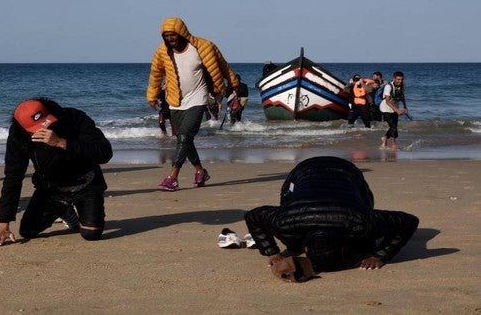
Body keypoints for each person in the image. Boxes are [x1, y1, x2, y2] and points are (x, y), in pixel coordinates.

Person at [244, 156, 419, 278]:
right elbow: (253, 216)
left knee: (364, 242)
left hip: (347, 173)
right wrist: (271, 252)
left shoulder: (361, 222)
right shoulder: (284, 220)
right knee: (292, 239)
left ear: (307, 250)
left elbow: (409, 221)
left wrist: (380, 255)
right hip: (302, 173)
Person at [0, 98, 113, 246]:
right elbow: (13, 177)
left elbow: (105, 153)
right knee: (27, 232)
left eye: (45, 121)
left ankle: (75, 208)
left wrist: (62, 142)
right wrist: (4, 224)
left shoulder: (74, 118)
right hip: (51, 189)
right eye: (38, 127)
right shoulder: (18, 136)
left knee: (91, 234)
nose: (45, 128)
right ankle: (65, 211)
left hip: (86, 183)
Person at [146, 17, 239, 191]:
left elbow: (223, 65)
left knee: (185, 137)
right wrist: (152, 95)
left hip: (198, 97)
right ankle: (200, 171)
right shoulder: (162, 52)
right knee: (184, 139)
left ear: (182, 32)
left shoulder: (204, 47)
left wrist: (233, 82)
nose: (170, 39)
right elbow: (156, 74)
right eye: (166, 36)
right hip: (174, 100)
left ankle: (172, 177)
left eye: (173, 35)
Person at [380, 71, 409, 150]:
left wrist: (405, 107)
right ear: (394, 79)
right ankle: (394, 145)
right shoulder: (388, 86)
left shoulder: (402, 86)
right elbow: (387, 101)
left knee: (394, 126)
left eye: (402, 79)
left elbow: (402, 97)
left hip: (395, 108)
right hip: (385, 108)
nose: (400, 81)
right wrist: (397, 110)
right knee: (393, 127)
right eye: (398, 79)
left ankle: (385, 138)